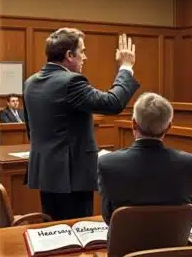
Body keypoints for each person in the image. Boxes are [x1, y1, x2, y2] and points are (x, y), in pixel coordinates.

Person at [23, 28, 140, 221]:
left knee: (54, 228)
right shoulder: (71, 82)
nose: (85, 57)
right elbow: (112, 103)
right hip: (71, 176)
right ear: (69, 55)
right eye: (82, 51)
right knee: (75, 232)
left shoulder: (30, 82)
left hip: (46, 172)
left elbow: (31, 129)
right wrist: (125, 67)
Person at [97, 92, 192, 225]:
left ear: (133, 124)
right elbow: (191, 209)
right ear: (169, 127)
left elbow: (108, 217)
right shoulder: (190, 164)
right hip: (173, 243)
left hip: (125, 243)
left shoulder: (107, 164)